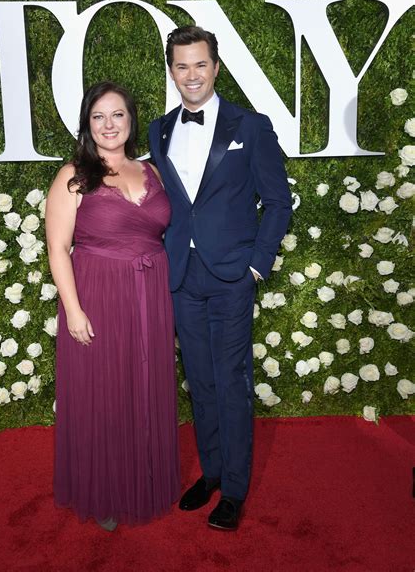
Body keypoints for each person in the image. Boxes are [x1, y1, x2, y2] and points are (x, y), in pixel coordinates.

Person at [149, 26, 292, 531]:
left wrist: (258, 263)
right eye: (182, 66)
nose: (192, 74)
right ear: (172, 71)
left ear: (216, 66)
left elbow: (278, 201)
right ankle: (210, 473)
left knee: (231, 383)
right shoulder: (159, 129)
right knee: (202, 383)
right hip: (183, 276)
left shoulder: (251, 126)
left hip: (232, 275)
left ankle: (233, 489)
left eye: (200, 64)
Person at [46, 81, 180, 530]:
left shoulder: (153, 172)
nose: (108, 124)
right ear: (87, 123)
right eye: (99, 116)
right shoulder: (73, 176)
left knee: (144, 385)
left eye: (117, 115)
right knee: (103, 392)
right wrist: (74, 310)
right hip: (98, 294)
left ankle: (142, 476)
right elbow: (57, 249)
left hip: (150, 295)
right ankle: (104, 490)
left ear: (130, 120)